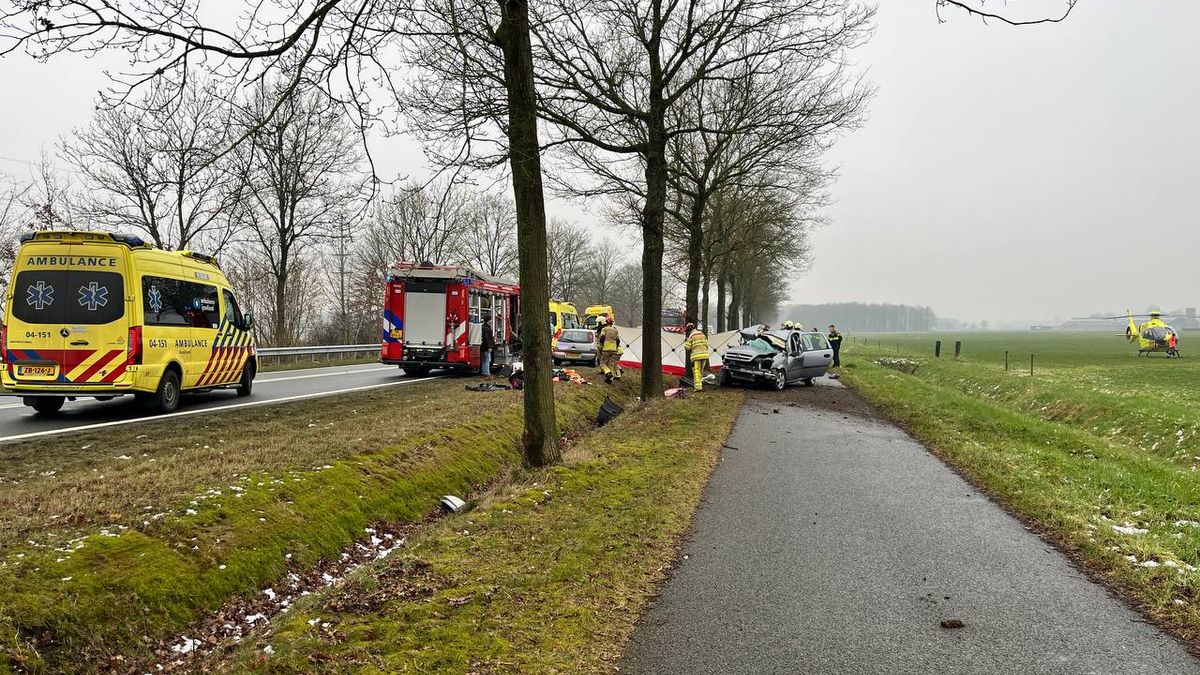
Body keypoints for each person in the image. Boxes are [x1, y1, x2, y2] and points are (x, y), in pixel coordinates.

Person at [682, 322, 710, 392]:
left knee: (696, 371)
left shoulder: (691, 336)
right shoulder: (702, 334)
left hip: (696, 356)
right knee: (701, 371)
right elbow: (706, 344)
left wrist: (686, 342)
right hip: (704, 355)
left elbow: (687, 348)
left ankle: (698, 387)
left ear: (689, 329)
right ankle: (699, 385)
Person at [598, 316, 622, 383]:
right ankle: (610, 379)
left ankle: (608, 373)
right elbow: (618, 340)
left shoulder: (604, 329)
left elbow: (602, 337)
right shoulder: (615, 330)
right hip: (614, 349)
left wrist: (601, 345)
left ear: (606, 322)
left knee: (602, 363)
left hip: (606, 349)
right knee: (610, 364)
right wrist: (616, 348)